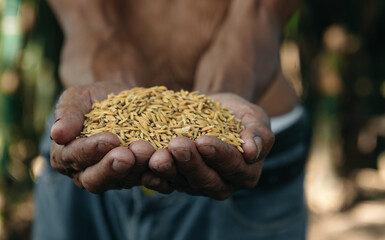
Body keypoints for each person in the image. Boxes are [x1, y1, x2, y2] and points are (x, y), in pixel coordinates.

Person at [33, 0, 311, 239]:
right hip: (90, 135)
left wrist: (232, 77)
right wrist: (92, 35)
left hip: (246, 145)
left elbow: (258, 9)